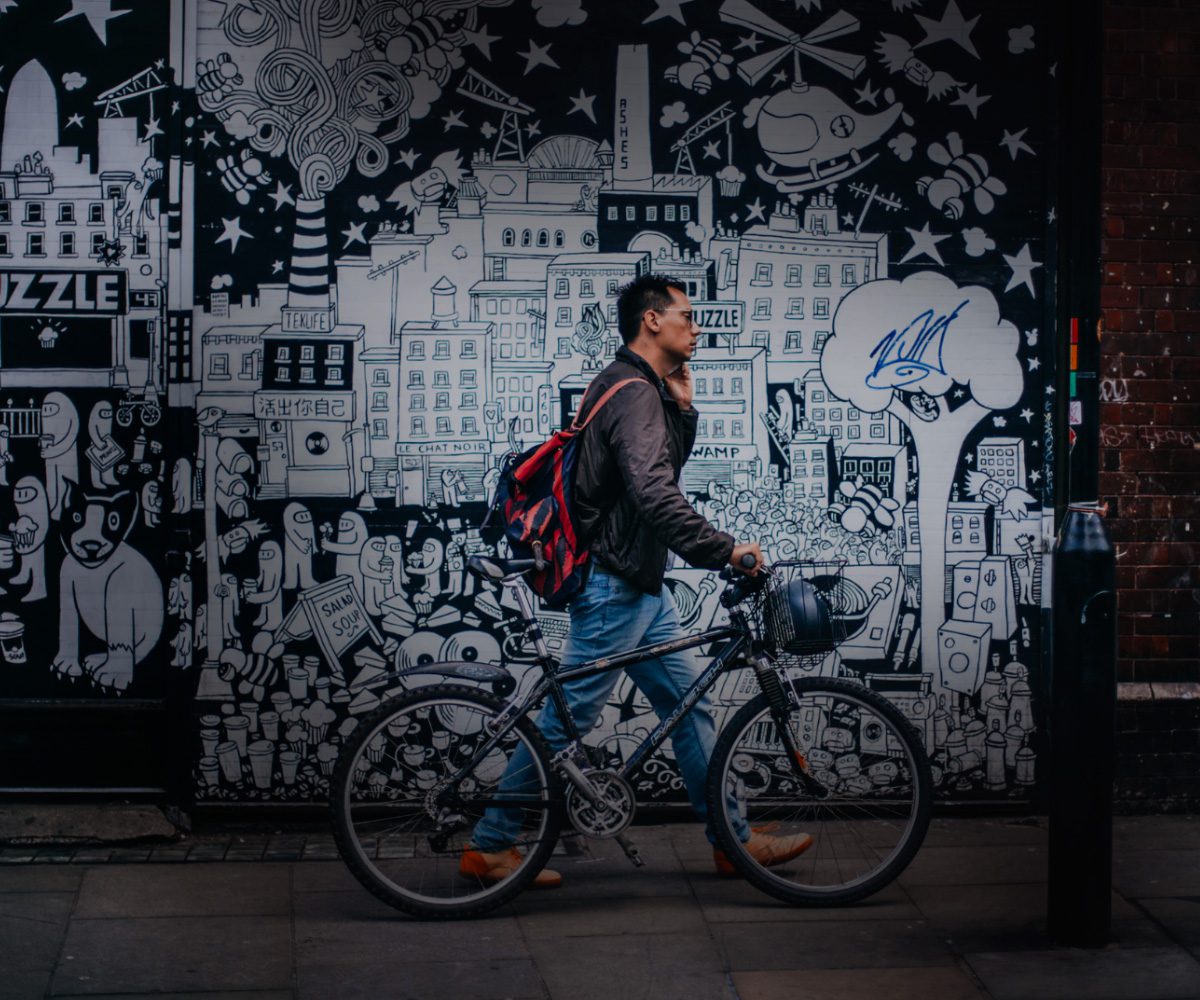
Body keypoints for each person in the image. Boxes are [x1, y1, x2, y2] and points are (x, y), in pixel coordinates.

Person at [462, 274, 812, 888]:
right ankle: (490, 844)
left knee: (688, 705)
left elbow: (655, 471)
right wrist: (725, 550)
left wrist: (683, 407)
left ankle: (731, 841)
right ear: (652, 320)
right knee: (567, 720)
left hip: (637, 585)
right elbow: (655, 493)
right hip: (614, 583)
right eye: (686, 315)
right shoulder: (632, 392)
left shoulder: (631, 387)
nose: (696, 327)